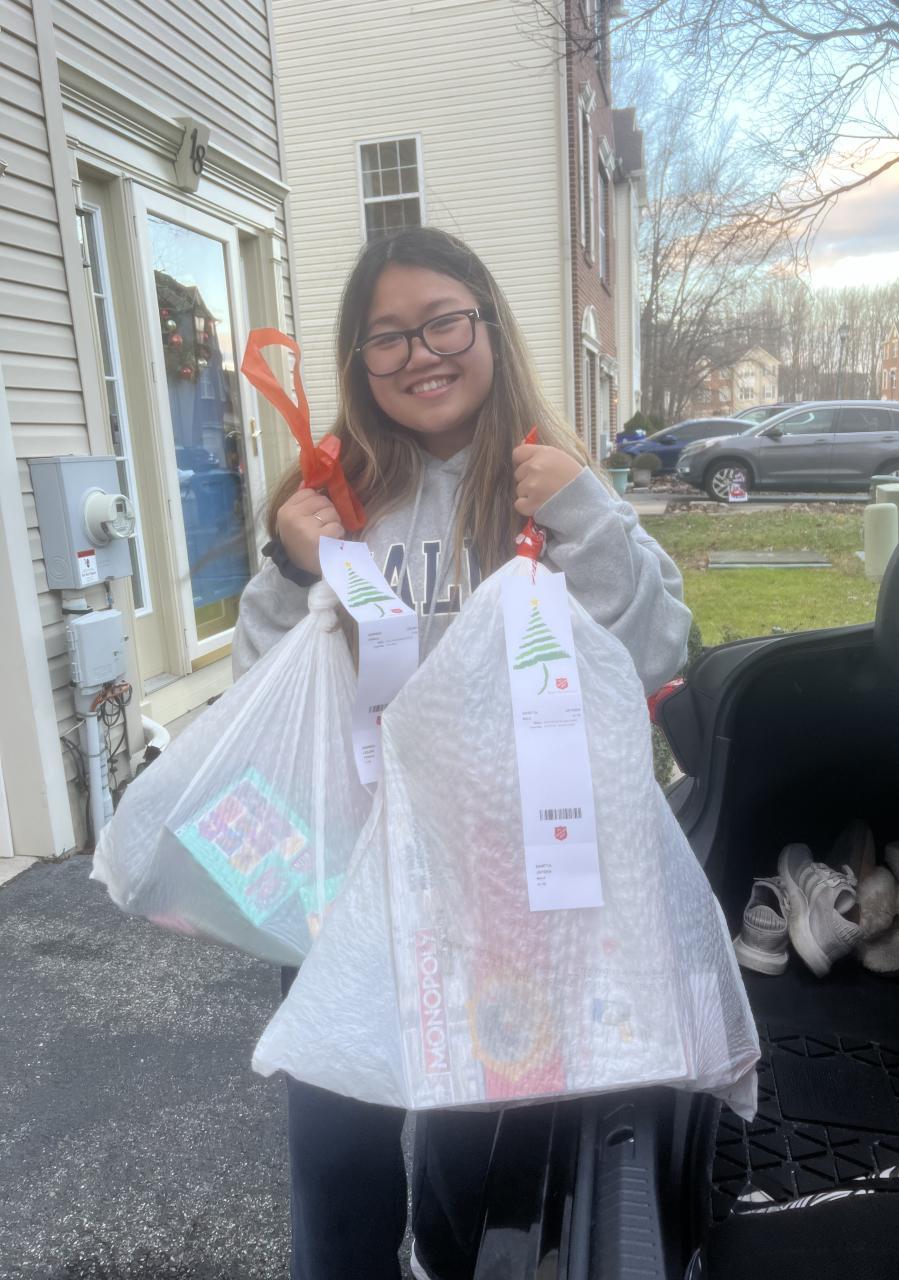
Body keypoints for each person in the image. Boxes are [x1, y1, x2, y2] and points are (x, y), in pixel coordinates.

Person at [233, 226, 691, 1280]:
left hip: (506, 893)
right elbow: (265, 687)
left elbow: (654, 650)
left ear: (488, 324)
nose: (419, 354)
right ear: (358, 362)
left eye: (443, 321)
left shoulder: (552, 484)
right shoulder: (333, 494)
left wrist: (586, 513)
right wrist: (294, 567)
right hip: (348, 885)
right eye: (385, 336)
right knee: (338, 1160)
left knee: (478, 1165)